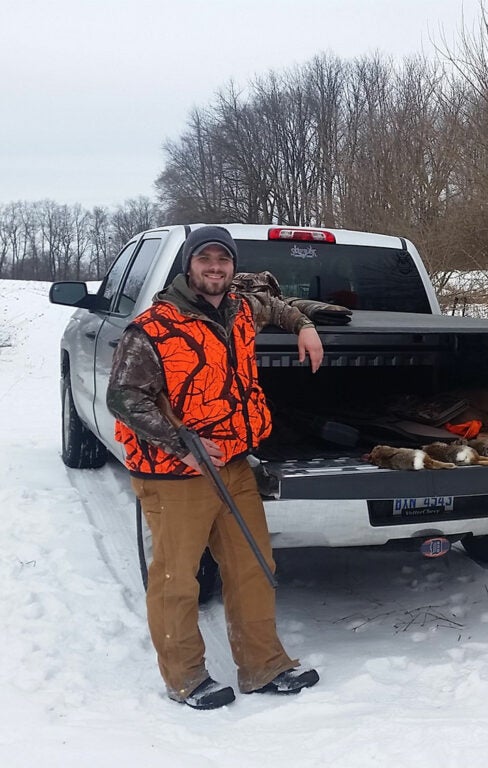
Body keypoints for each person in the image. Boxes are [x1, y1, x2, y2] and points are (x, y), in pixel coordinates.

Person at [107, 226, 325, 709]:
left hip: (233, 464)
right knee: (177, 578)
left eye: (222, 260)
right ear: (188, 266)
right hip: (174, 471)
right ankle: (185, 678)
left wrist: (305, 327)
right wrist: (181, 442)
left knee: (253, 565)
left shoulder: (241, 307)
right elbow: (123, 398)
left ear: (232, 266)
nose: (214, 268)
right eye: (204, 259)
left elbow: (282, 307)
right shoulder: (153, 327)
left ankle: (263, 666)